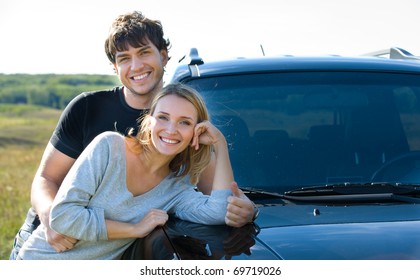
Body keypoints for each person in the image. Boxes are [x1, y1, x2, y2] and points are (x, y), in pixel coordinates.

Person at [10, 10, 256, 260]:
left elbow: (217, 196)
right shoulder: (88, 110)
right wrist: (52, 218)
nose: (136, 66)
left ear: (163, 55)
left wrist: (248, 210)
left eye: (144, 52)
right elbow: (46, 178)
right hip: (47, 241)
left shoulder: (178, 140)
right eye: (124, 58)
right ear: (115, 67)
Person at [16, 83, 235, 260]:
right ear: (149, 121)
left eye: (184, 122)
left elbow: (218, 212)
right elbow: (62, 217)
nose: (171, 129)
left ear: (195, 133)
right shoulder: (109, 148)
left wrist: (220, 143)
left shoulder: (176, 189)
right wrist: (134, 229)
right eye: (163, 117)